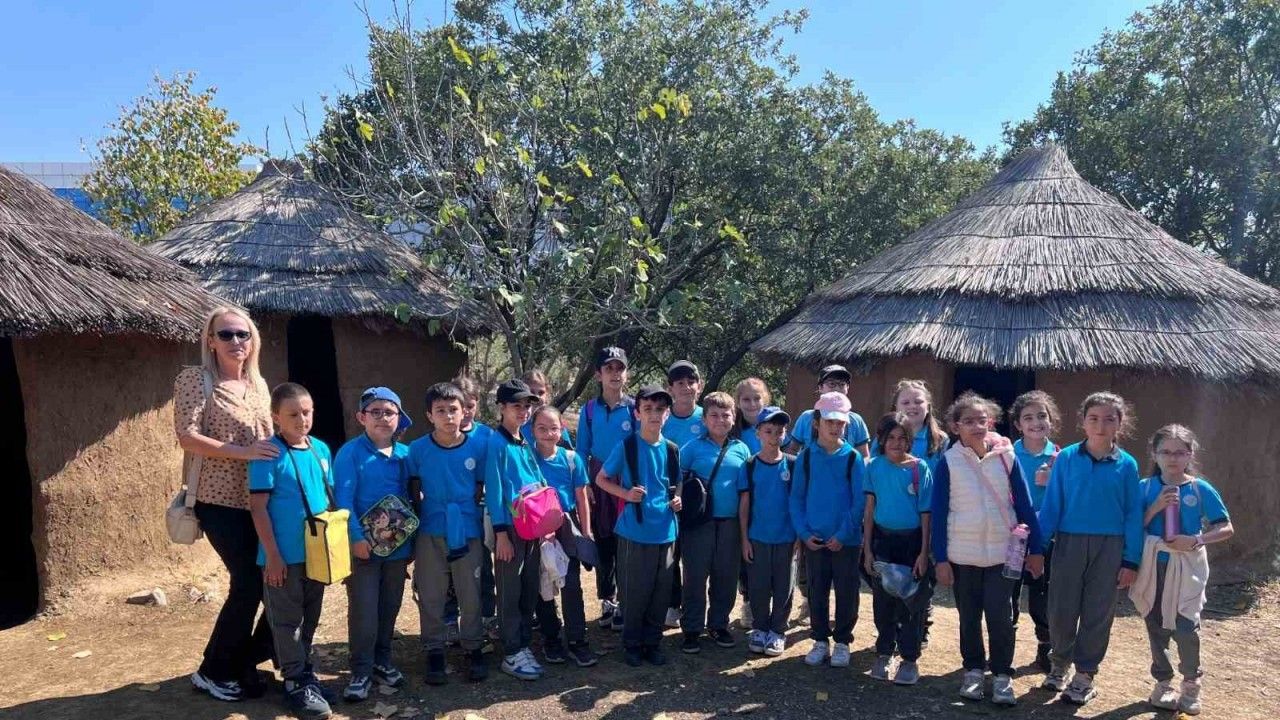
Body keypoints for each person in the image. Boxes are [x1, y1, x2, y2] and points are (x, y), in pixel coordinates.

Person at [177, 306, 276, 702]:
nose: (236, 341)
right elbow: (186, 436)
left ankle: (244, 660)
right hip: (218, 499)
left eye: (243, 334)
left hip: (260, 498)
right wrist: (243, 452)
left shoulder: (259, 384)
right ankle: (214, 671)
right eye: (226, 334)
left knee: (276, 580)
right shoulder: (196, 380)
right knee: (248, 581)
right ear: (211, 341)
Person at [932, 392, 1045, 706]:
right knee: (969, 617)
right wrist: (940, 558)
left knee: (1000, 616)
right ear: (955, 427)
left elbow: (1025, 505)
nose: (976, 426)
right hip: (962, 555)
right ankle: (972, 671)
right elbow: (939, 513)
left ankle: (1002, 675)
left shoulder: (1007, 458)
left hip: (1002, 554)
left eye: (982, 420)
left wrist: (1036, 549)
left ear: (991, 422)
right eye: (968, 421)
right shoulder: (948, 463)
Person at [1037, 391, 1144, 706]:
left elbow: (1133, 513)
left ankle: (1084, 675)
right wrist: (1037, 548)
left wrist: (1131, 560)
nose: (1101, 425)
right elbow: (1052, 504)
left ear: (1120, 424)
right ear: (1083, 422)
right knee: (1061, 609)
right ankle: (1059, 664)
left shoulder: (1127, 465)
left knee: (1098, 612)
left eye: (1109, 419)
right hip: (1069, 542)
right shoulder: (1067, 458)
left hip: (1109, 547)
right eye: (1094, 418)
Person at [248, 383, 335, 720]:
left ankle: (304, 672)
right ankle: (295, 682)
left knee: (310, 617)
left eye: (307, 412)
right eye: (293, 414)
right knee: (287, 621)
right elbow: (258, 507)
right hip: (283, 555)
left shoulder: (320, 449)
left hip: (316, 554)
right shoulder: (268, 454)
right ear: (276, 417)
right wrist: (272, 555)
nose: (302, 420)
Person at [1132, 424, 1233, 716]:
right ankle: (1163, 683)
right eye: (1165, 452)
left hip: (1188, 566)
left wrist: (1196, 540)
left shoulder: (1200, 489)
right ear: (1154, 454)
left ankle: (1191, 684)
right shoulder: (1145, 487)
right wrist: (1155, 507)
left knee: (1186, 625)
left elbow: (1226, 527)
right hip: (1154, 565)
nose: (1172, 458)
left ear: (1190, 454)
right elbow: (1132, 526)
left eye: (1179, 452)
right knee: (1155, 623)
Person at [333, 387, 413, 701]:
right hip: (363, 548)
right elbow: (344, 499)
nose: (382, 418)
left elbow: (413, 498)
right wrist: (355, 537)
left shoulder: (406, 455)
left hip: (398, 548)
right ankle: (361, 670)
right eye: (375, 412)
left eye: (389, 412)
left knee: (390, 606)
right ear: (361, 417)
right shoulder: (350, 453)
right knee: (364, 609)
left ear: (399, 418)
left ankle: (382, 660)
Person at [595, 385, 683, 667]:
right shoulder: (627, 446)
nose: (654, 414)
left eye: (660, 409)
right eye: (648, 409)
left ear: (667, 414)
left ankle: (652, 643)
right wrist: (625, 494)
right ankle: (632, 644)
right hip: (634, 531)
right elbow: (601, 479)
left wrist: (677, 498)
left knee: (660, 592)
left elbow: (676, 482)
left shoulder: (672, 450)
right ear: (637, 413)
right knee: (634, 592)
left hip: (666, 532)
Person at [409, 382, 490, 685]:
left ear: (464, 411)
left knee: (470, 592)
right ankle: (434, 649)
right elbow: (413, 488)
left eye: (453, 409)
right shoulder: (418, 449)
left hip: (467, 529)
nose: (448, 416)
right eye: (440, 410)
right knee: (432, 593)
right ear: (429, 415)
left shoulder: (477, 447)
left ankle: (473, 647)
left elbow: (480, 487)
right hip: (431, 529)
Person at [790, 391, 866, 669]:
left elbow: (859, 501)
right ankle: (820, 639)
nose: (835, 427)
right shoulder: (806, 457)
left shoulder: (853, 458)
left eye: (840, 423)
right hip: (815, 539)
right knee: (817, 590)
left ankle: (843, 641)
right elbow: (796, 498)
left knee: (847, 591)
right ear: (817, 423)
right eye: (829, 421)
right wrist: (803, 532)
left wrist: (843, 535)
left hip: (846, 540)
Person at [862, 412, 934, 687]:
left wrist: (923, 552)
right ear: (881, 439)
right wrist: (868, 549)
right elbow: (870, 510)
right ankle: (884, 653)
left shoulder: (919, 469)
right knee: (883, 602)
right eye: (890, 437)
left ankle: (909, 659)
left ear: (910, 440)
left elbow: (926, 514)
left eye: (902, 438)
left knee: (912, 603)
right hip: (882, 541)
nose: (896, 443)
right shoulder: (874, 467)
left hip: (911, 543)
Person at [679, 392, 753, 653]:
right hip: (699, 523)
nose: (720, 420)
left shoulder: (742, 450)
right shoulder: (692, 448)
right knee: (695, 576)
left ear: (734, 418)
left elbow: (746, 491)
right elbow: (677, 481)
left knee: (726, 576)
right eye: (714, 415)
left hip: (730, 523)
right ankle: (691, 628)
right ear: (704, 419)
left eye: (725, 415)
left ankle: (719, 624)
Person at [485, 379, 549, 681]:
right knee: (509, 591)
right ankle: (511, 651)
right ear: (501, 407)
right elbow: (495, 491)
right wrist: (501, 534)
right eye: (516, 405)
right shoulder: (496, 444)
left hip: (532, 527)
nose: (523, 411)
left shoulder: (523, 440)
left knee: (528, 588)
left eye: (527, 406)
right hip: (510, 529)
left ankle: (523, 643)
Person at [530, 405, 598, 667]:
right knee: (543, 584)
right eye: (542, 428)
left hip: (566, 525)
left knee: (571, 583)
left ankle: (577, 640)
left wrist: (587, 532)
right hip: (537, 527)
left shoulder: (572, 459)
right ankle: (551, 639)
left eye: (554, 428)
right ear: (532, 430)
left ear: (562, 430)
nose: (548, 434)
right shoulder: (526, 458)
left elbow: (581, 497)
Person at [577, 347, 636, 631]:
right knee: (603, 540)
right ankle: (607, 599)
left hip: (625, 482)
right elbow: (581, 450)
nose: (615, 373)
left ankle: (625, 600)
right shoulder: (589, 410)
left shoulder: (635, 408)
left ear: (627, 373)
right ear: (598, 374)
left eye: (619, 368)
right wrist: (584, 484)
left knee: (625, 540)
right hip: (598, 482)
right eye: (608, 368)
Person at [1007, 390, 1061, 672]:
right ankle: (1004, 651)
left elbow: (1069, 498)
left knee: (1042, 595)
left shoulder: (1061, 458)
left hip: (1046, 537)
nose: (1036, 422)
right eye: (1028, 418)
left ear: (1051, 420)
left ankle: (1045, 650)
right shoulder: (1007, 455)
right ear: (1018, 424)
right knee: (1008, 593)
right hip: (1012, 536)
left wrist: (1052, 482)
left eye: (1042, 416)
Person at [738, 406, 796, 658]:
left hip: (787, 539)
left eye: (780, 431)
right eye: (769, 431)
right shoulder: (750, 465)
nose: (774, 436)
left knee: (784, 587)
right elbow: (744, 505)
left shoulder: (793, 464)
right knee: (758, 585)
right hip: (757, 537)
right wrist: (744, 539)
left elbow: (798, 502)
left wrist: (799, 537)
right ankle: (760, 628)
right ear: (758, 433)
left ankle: (777, 630)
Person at [445, 374, 496, 638]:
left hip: (479, 514)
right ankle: (449, 620)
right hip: (450, 516)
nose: (465, 412)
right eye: (460, 406)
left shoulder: (487, 436)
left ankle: (487, 616)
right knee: (450, 568)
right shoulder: (442, 435)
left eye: (471, 406)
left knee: (483, 567)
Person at [662, 359, 705, 629]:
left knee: (695, 553)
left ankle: (694, 606)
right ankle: (672, 603)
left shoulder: (707, 416)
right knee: (671, 551)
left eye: (691, 382)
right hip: (667, 492)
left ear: (699, 386)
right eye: (680, 383)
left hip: (699, 493)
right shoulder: (662, 417)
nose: (686, 387)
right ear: (670, 388)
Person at [786, 365, 871, 458]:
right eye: (832, 384)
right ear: (820, 387)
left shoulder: (856, 421)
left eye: (842, 384)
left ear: (847, 388)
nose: (837, 389)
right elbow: (793, 450)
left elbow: (864, 457)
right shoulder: (806, 418)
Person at [521, 369, 573, 449]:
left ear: (547, 395)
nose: (537, 397)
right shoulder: (516, 424)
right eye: (531, 392)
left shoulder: (555, 423)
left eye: (541, 393)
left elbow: (567, 452)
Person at [733, 377, 770, 453]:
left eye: (757, 399)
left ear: (765, 400)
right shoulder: (731, 428)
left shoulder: (775, 424)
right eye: (746, 399)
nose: (752, 404)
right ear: (738, 402)